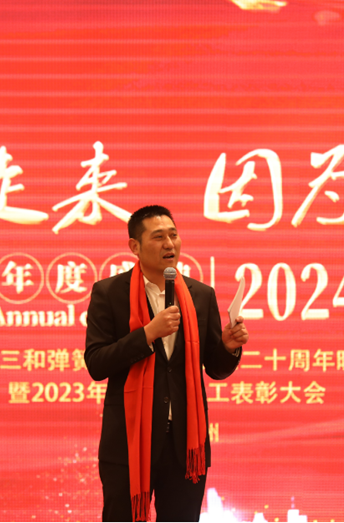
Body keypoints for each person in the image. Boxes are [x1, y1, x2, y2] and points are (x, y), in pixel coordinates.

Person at [84, 205, 249, 522]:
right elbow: (96, 363)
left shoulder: (201, 295)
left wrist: (228, 347)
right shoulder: (109, 293)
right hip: (129, 442)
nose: (170, 244)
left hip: (185, 445)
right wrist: (147, 334)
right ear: (135, 246)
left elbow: (215, 369)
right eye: (158, 237)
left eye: (173, 235)